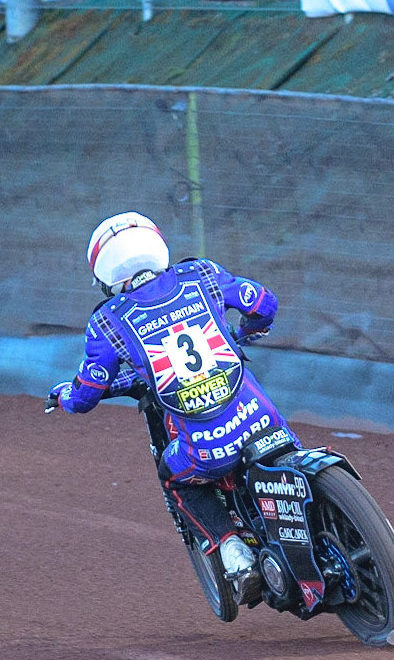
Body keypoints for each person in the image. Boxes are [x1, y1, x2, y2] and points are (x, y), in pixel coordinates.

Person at [50, 213, 288, 594]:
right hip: (265, 419)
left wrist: (65, 398)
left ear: (106, 274)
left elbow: (88, 391)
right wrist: (244, 334)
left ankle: (233, 550)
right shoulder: (201, 273)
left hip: (209, 450)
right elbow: (264, 304)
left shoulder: (108, 321)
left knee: (174, 477)